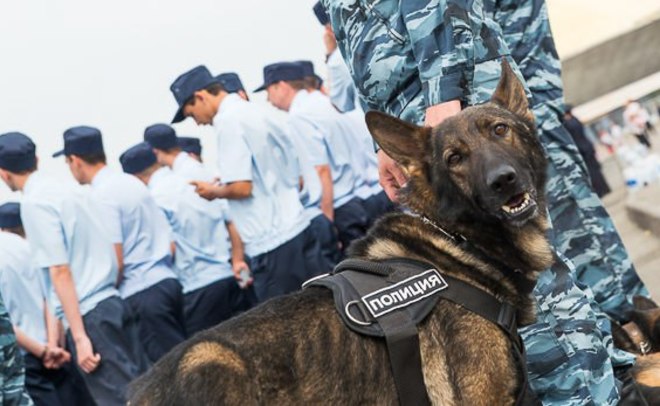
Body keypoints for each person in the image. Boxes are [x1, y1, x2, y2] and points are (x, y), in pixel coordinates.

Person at [320, 0, 649, 403]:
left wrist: (444, 94)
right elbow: (361, 40)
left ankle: (593, 393)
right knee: (501, 274)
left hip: (455, 96)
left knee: (526, 273)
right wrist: (388, 140)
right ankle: (607, 380)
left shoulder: (452, 102)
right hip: (420, 112)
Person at [0, 131, 147, 405]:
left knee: (122, 400)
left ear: (4, 173)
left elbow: (59, 271)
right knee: (145, 391)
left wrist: (79, 338)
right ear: (37, 159)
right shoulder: (71, 190)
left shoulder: (35, 203)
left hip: (89, 315)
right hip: (112, 302)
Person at [169, 65, 327, 302]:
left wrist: (214, 191)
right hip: (298, 225)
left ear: (201, 96)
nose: (198, 123)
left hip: (272, 245)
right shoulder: (253, 111)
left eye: (192, 114)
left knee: (289, 330)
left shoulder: (227, 122)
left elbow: (242, 187)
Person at [54, 126, 186, 363]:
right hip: (168, 282)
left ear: (75, 160)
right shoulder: (130, 182)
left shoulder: (102, 195)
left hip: (142, 293)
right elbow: (171, 242)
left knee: (172, 379)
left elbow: (115, 259)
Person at [120, 142, 254, 334]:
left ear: (134, 178)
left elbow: (169, 248)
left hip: (196, 288)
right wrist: (238, 260)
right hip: (229, 277)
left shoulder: (155, 198)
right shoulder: (194, 182)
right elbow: (231, 223)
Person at [259, 62, 357, 262]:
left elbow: (321, 171)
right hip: (366, 198)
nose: (268, 100)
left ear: (281, 86)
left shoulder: (299, 117)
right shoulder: (325, 103)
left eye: (268, 91)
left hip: (341, 209)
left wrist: (328, 225)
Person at [0, 203, 93, 406]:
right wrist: (52, 344)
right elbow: (52, 296)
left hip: (26, 357)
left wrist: (42, 351)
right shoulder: (32, 248)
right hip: (60, 351)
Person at [563, 106, 611, 197]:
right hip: (587, 146)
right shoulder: (575, 120)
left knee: (591, 171)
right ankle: (605, 188)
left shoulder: (568, 124)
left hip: (581, 150)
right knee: (596, 169)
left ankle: (599, 191)